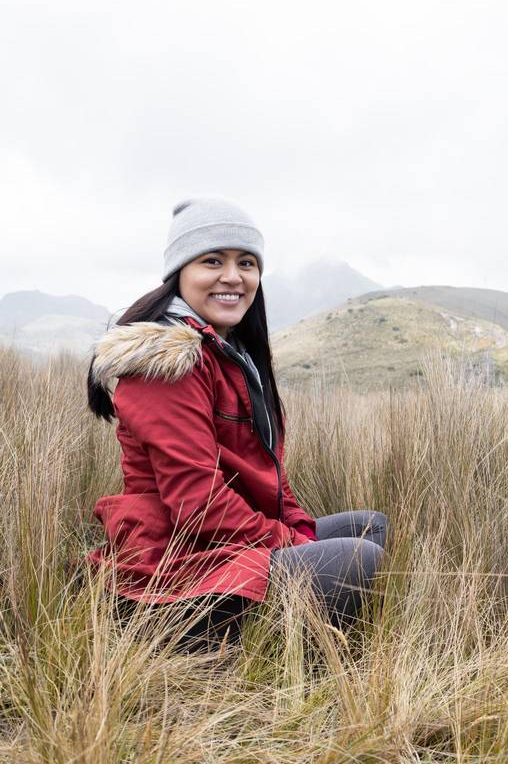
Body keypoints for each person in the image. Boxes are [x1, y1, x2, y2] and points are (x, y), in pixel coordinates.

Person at [86, 195, 389, 652]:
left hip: (225, 547)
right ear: (180, 273)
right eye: (212, 261)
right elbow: (197, 503)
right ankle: (214, 648)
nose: (232, 276)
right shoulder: (167, 364)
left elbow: (267, 473)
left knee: (371, 527)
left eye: (246, 262)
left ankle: (292, 644)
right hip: (177, 563)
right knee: (360, 559)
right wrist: (288, 542)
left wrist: (296, 527)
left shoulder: (232, 357)